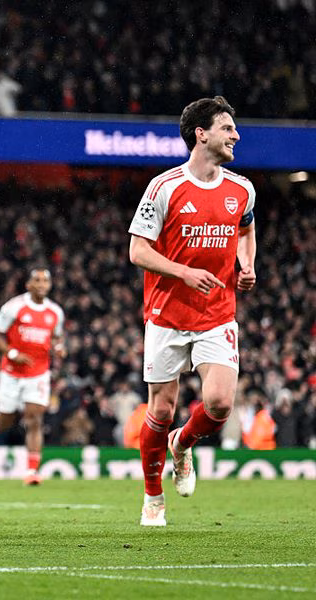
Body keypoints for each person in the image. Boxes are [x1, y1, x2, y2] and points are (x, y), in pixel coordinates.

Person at [128, 96, 256, 526]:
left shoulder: (241, 188)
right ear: (201, 134)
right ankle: (152, 497)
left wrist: (248, 263)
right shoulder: (164, 187)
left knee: (220, 402)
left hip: (217, 313)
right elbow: (137, 251)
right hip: (166, 314)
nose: (235, 134)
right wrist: (183, 272)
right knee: (160, 410)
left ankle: (182, 445)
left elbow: (247, 226)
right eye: (226, 127)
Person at [0, 268, 66, 485]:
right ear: (28, 285)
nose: (41, 284)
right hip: (12, 373)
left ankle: (32, 472)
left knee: (35, 419)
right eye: (37, 280)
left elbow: (58, 337)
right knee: (5, 421)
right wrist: (13, 353)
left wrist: (59, 348)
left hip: (38, 373)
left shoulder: (55, 312)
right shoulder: (14, 307)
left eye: (45, 281)